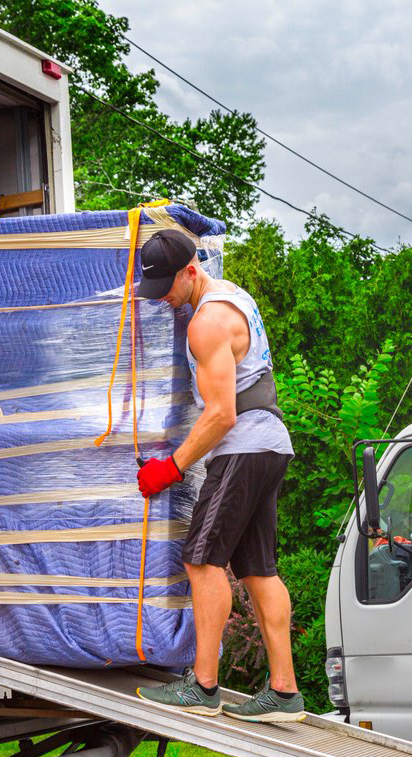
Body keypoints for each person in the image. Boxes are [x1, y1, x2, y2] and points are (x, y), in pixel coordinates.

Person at [133, 229, 304, 723]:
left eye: (168, 285)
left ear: (191, 271)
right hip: (270, 443)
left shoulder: (206, 323)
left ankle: (203, 686)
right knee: (259, 569)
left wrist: (172, 467)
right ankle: (285, 692)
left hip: (243, 447)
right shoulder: (235, 296)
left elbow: (221, 414)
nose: (163, 296)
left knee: (202, 560)